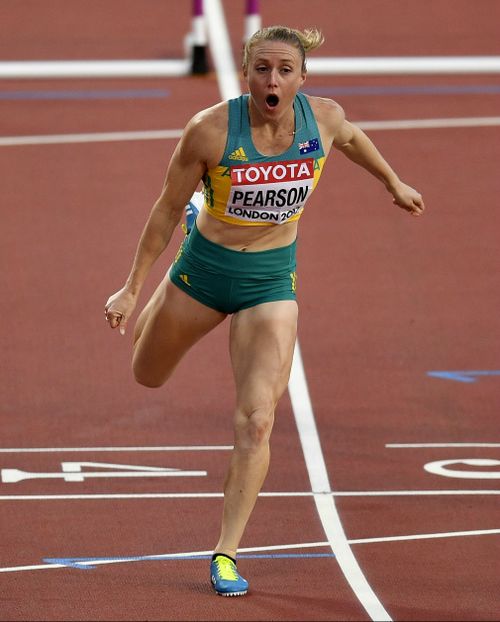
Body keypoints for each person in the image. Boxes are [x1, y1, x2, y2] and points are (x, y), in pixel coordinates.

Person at [104, 25, 425, 596]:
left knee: (256, 419)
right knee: (145, 374)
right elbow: (164, 208)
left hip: (270, 282)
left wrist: (392, 182)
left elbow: (349, 138)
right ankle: (166, 289)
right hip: (201, 272)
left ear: (302, 78)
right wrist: (131, 287)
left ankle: (225, 553)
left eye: (284, 70)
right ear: (248, 72)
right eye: (261, 69)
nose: (271, 80)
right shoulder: (209, 130)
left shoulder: (321, 119)